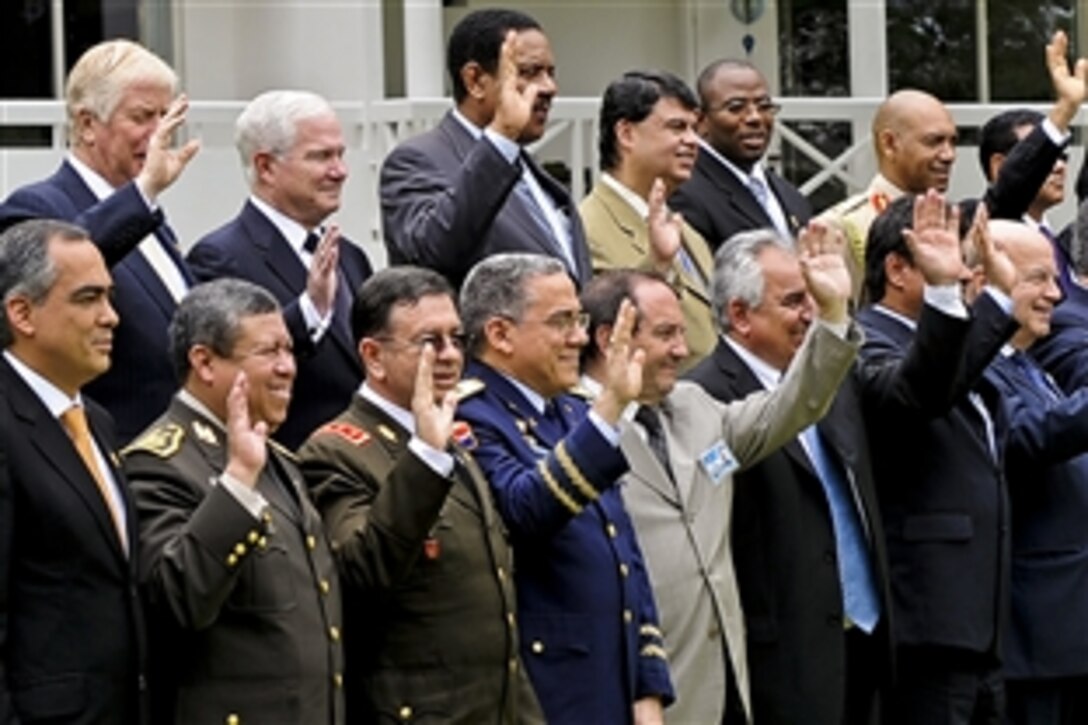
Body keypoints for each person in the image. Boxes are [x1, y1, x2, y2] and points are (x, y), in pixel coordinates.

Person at [578, 223, 861, 724]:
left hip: (727, 684)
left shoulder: (695, 407)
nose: (682, 351)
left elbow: (795, 404)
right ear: (609, 338)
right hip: (639, 696)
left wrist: (834, 314)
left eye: (682, 334)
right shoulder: (572, 433)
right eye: (665, 334)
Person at [298, 266, 543, 723]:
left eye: (457, 338)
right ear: (373, 356)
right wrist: (426, 457)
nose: (451, 355)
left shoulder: (451, 436)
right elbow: (360, 571)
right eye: (431, 342)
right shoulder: (334, 451)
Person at [683, 229, 892, 724]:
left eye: (814, 299)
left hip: (864, 640)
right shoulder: (704, 397)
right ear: (740, 315)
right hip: (780, 659)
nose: (810, 313)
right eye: (795, 301)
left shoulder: (831, 376)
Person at [456, 254, 673, 724]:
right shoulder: (470, 416)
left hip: (613, 685)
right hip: (548, 692)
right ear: (500, 334)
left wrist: (648, 685)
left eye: (579, 320)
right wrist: (612, 405)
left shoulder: (571, 411)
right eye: (561, 322)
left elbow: (625, 556)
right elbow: (524, 511)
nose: (578, 337)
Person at [123, 279, 344, 724]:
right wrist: (238, 480)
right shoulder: (159, 462)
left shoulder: (279, 460)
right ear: (204, 362)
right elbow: (176, 600)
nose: (288, 368)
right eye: (268, 352)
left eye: (288, 350)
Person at [857, 191, 1019, 725]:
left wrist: (994, 297)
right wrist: (954, 294)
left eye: (965, 262)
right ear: (899, 269)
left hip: (980, 627)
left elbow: (952, 375)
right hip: (927, 624)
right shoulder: (866, 339)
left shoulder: (953, 338)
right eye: (948, 260)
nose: (963, 273)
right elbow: (920, 394)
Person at [0, 39, 200, 442]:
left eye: (166, 116)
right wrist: (143, 193)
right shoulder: (38, 205)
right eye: (143, 117)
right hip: (106, 449)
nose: (160, 134)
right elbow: (64, 273)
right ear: (88, 123)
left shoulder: (151, 219)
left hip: (183, 459)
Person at [0, 219, 147, 724]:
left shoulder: (97, 424)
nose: (111, 317)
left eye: (109, 297)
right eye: (88, 299)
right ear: (22, 313)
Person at [820, 31, 1086, 303]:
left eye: (953, 142)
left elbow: (1006, 194)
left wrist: (1065, 111)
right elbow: (838, 326)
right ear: (889, 144)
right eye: (933, 142)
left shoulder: (959, 218)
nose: (948, 155)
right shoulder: (840, 227)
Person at [186, 90, 373, 448]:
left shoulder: (351, 256)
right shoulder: (220, 257)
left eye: (340, 154)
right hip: (287, 465)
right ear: (266, 167)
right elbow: (230, 364)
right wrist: (309, 311)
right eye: (321, 157)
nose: (340, 171)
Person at [966, 221, 1088, 725]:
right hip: (1036, 636)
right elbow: (1024, 436)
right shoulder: (975, 370)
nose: (1055, 295)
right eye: (1038, 279)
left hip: (1067, 632)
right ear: (982, 282)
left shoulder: (1027, 363)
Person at [380, 8, 590, 288]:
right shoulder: (417, 160)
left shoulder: (528, 170)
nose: (549, 87)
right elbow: (429, 254)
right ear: (475, 81)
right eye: (529, 73)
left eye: (550, 73)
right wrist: (501, 137)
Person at [580, 70, 716, 365]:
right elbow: (610, 330)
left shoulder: (687, 231)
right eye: (677, 127)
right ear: (626, 133)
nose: (693, 141)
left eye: (694, 129)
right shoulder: (586, 228)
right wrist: (658, 263)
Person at [670, 59, 811, 249]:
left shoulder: (791, 197)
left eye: (764, 106)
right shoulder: (685, 195)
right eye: (736, 107)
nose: (755, 118)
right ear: (701, 121)